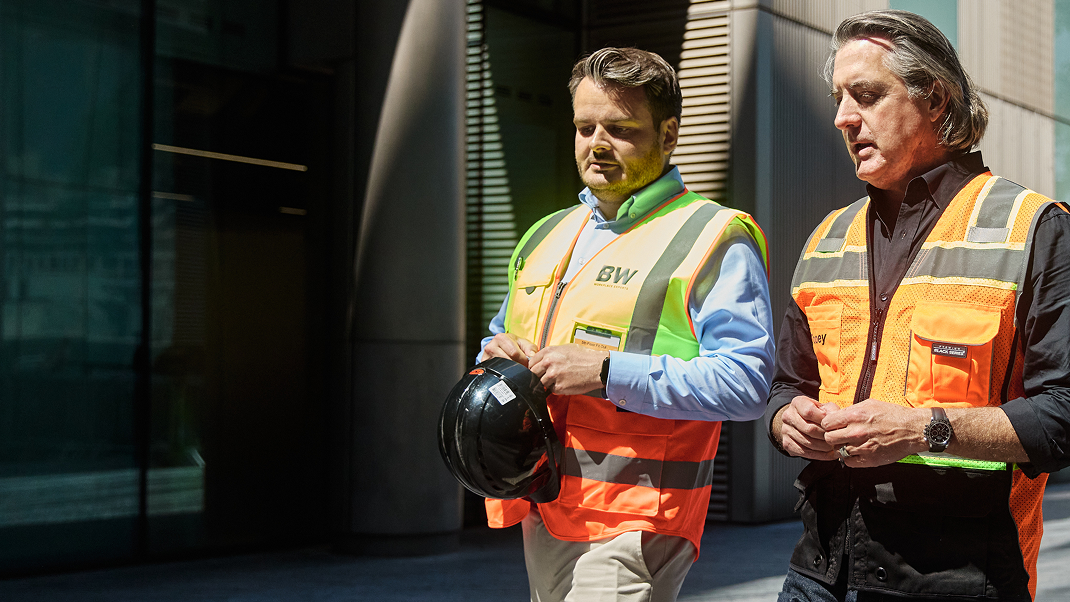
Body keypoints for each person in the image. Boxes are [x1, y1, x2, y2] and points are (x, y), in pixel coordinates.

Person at [766, 10, 1070, 602]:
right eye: (838, 99)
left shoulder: (1035, 229)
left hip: (958, 578)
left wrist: (920, 430)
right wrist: (789, 422)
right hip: (818, 571)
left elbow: (1064, 414)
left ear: (935, 98)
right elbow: (785, 386)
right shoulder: (828, 236)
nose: (842, 118)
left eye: (867, 95)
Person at [477, 47, 775, 602]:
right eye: (584, 127)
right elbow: (494, 335)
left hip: (636, 519)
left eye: (619, 128)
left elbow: (748, 384)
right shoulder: (545, 233)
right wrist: (495, 356)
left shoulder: (713, 236)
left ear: (669, 135)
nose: (596, 143)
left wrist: (607, 370)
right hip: (543, 507)